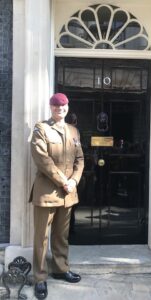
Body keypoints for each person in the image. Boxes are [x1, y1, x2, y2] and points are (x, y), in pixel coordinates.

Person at [29, 93, 84, 299]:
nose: (59, 109)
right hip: (47, 192)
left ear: (67, 108)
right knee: (41, 238)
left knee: (61, 236)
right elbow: (42, 160)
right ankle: (40, 278)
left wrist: (74, 181)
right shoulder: (41, 129)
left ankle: (61, 269)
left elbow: (80, 160)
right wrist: (64, 181)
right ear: (51, 107)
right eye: (55, 106)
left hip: (68, 193)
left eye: (63, 106)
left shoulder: (73, 131)